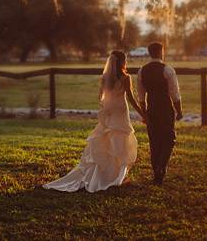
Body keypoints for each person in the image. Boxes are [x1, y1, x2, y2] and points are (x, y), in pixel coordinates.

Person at [43, 50, 146, 192]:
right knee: (119, 139)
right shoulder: (125, 78)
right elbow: (130, 98)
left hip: (109, 110)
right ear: (122, 62)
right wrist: (142, 113)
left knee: (106, 138)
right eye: (125, 60)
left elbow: (101, 97)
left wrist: (106, 109)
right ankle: (115, 174)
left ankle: (105, 170)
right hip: (120, 111)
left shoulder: (105, 78)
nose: (126, 62)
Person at [137, 41, 183, 184]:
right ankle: (161, 167)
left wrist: (144, 113)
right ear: (160, 53)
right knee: (169, 138)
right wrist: (179, 111)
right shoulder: (168, 70)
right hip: (165, 108)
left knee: (154, 140)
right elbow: (174, 94)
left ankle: (156, 168)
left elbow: (141, 96)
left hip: (151, 108)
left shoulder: (141, 71)